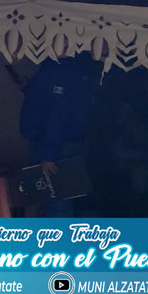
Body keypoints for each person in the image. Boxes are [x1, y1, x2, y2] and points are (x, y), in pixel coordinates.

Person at [19, 52, 100, 217]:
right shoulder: (50, 66)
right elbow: (46, 102)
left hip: (57, 148)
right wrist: (29, 89)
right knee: (39, 199)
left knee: (56, 204)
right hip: (48, 144)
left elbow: (59, 114)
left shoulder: (64, 70)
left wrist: (50, 155)